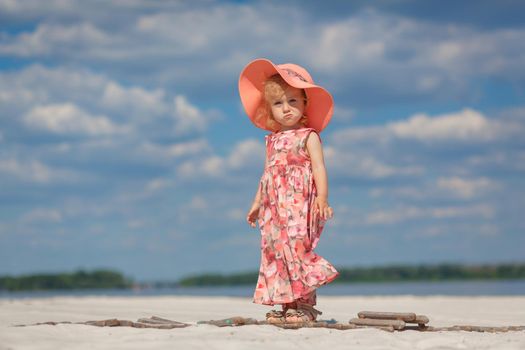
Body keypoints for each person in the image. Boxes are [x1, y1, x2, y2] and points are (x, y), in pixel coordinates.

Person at [238, 58, 339, 324]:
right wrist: (256, 203)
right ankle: (286, 304)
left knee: (296, 247)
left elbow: (319, 167)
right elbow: (267, 174)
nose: (286, 109)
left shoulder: (309, 135)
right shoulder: (272, 140)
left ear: (305, 103)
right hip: (274, 207)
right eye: (278, 104)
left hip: (298, 203)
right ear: (269, 110)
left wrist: (323, 198)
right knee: (276, 250)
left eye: (293, 101)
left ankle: (304, 305)